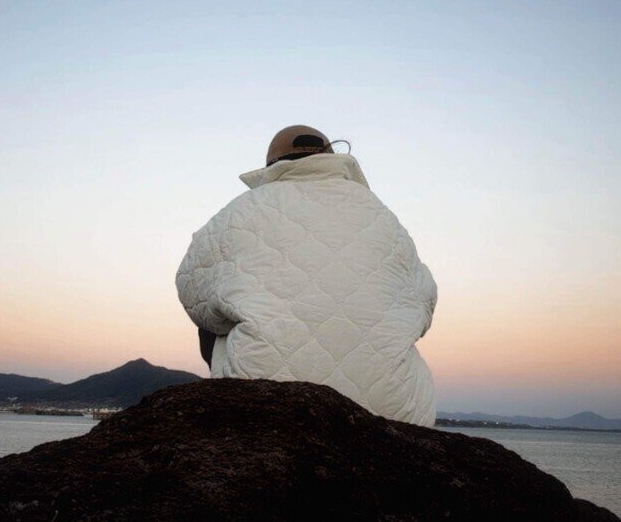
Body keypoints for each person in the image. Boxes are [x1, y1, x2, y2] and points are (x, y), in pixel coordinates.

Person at [175, 124, 438, 427]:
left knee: (215, 310)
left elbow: (190, 287)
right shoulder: (381, 213)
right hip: (399, 414)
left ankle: (233, 385)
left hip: (261, 403)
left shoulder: (241, 209)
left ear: (272, 164)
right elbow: (424, 301)